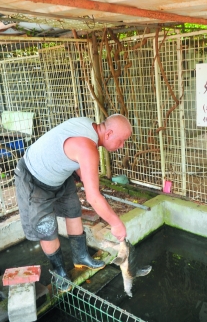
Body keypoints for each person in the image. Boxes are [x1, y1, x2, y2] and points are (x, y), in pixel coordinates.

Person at [14, 114, 132, 290]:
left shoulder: (88, 126)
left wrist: (84, 175)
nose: (122, 146)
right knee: (46, 228)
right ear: (108, 134)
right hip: (34, 176)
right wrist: (116, 224)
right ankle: (59, 271)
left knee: (73, 209)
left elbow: (74, 154)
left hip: (58, 174)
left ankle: (81, 257)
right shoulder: (88, 148)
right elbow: (93, 197)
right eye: (122, 141)